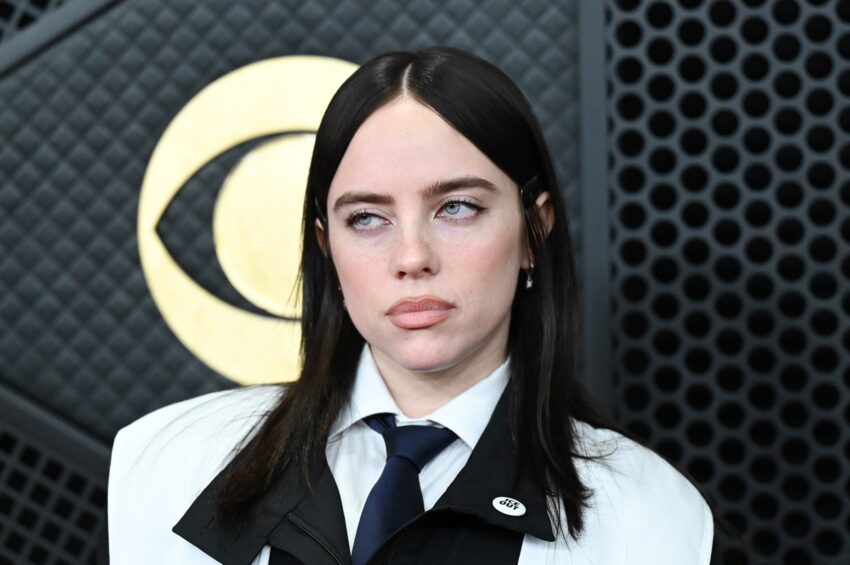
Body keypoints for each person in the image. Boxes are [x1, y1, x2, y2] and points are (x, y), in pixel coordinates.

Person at [106, 47, 714, 564]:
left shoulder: (645, 515)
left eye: (457, 208)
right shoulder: (167, 463)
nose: (412, 256)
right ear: (326, 245)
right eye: (367, 218)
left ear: (535, 231)